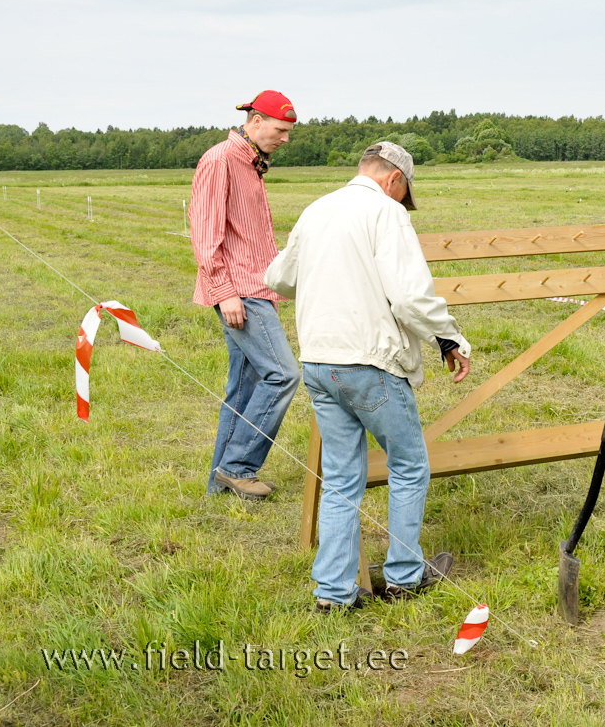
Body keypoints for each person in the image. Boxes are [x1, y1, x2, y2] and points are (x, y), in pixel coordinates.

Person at [265, 141, 471, 610]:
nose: (403, 203)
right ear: (394, 180)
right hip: (369, 363)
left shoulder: (317, 209)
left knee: (340, 478)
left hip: (319, 362)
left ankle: (334, 594)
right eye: (404, 194)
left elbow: (278, 278)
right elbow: (410, 298)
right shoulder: (386, 213)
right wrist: (450, 338)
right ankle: (403, 576)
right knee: (409, 464)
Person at [189, 91, 302, 501]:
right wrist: (224, 292)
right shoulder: (220, 159)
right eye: (280, 130)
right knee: (283, 374)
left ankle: (216, 490)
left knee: (244, 390)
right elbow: (205, 232)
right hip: (240, 292)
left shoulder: (250, 163)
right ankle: (238, 467)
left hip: (258, 289)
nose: (285, 139)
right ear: (255, 122)